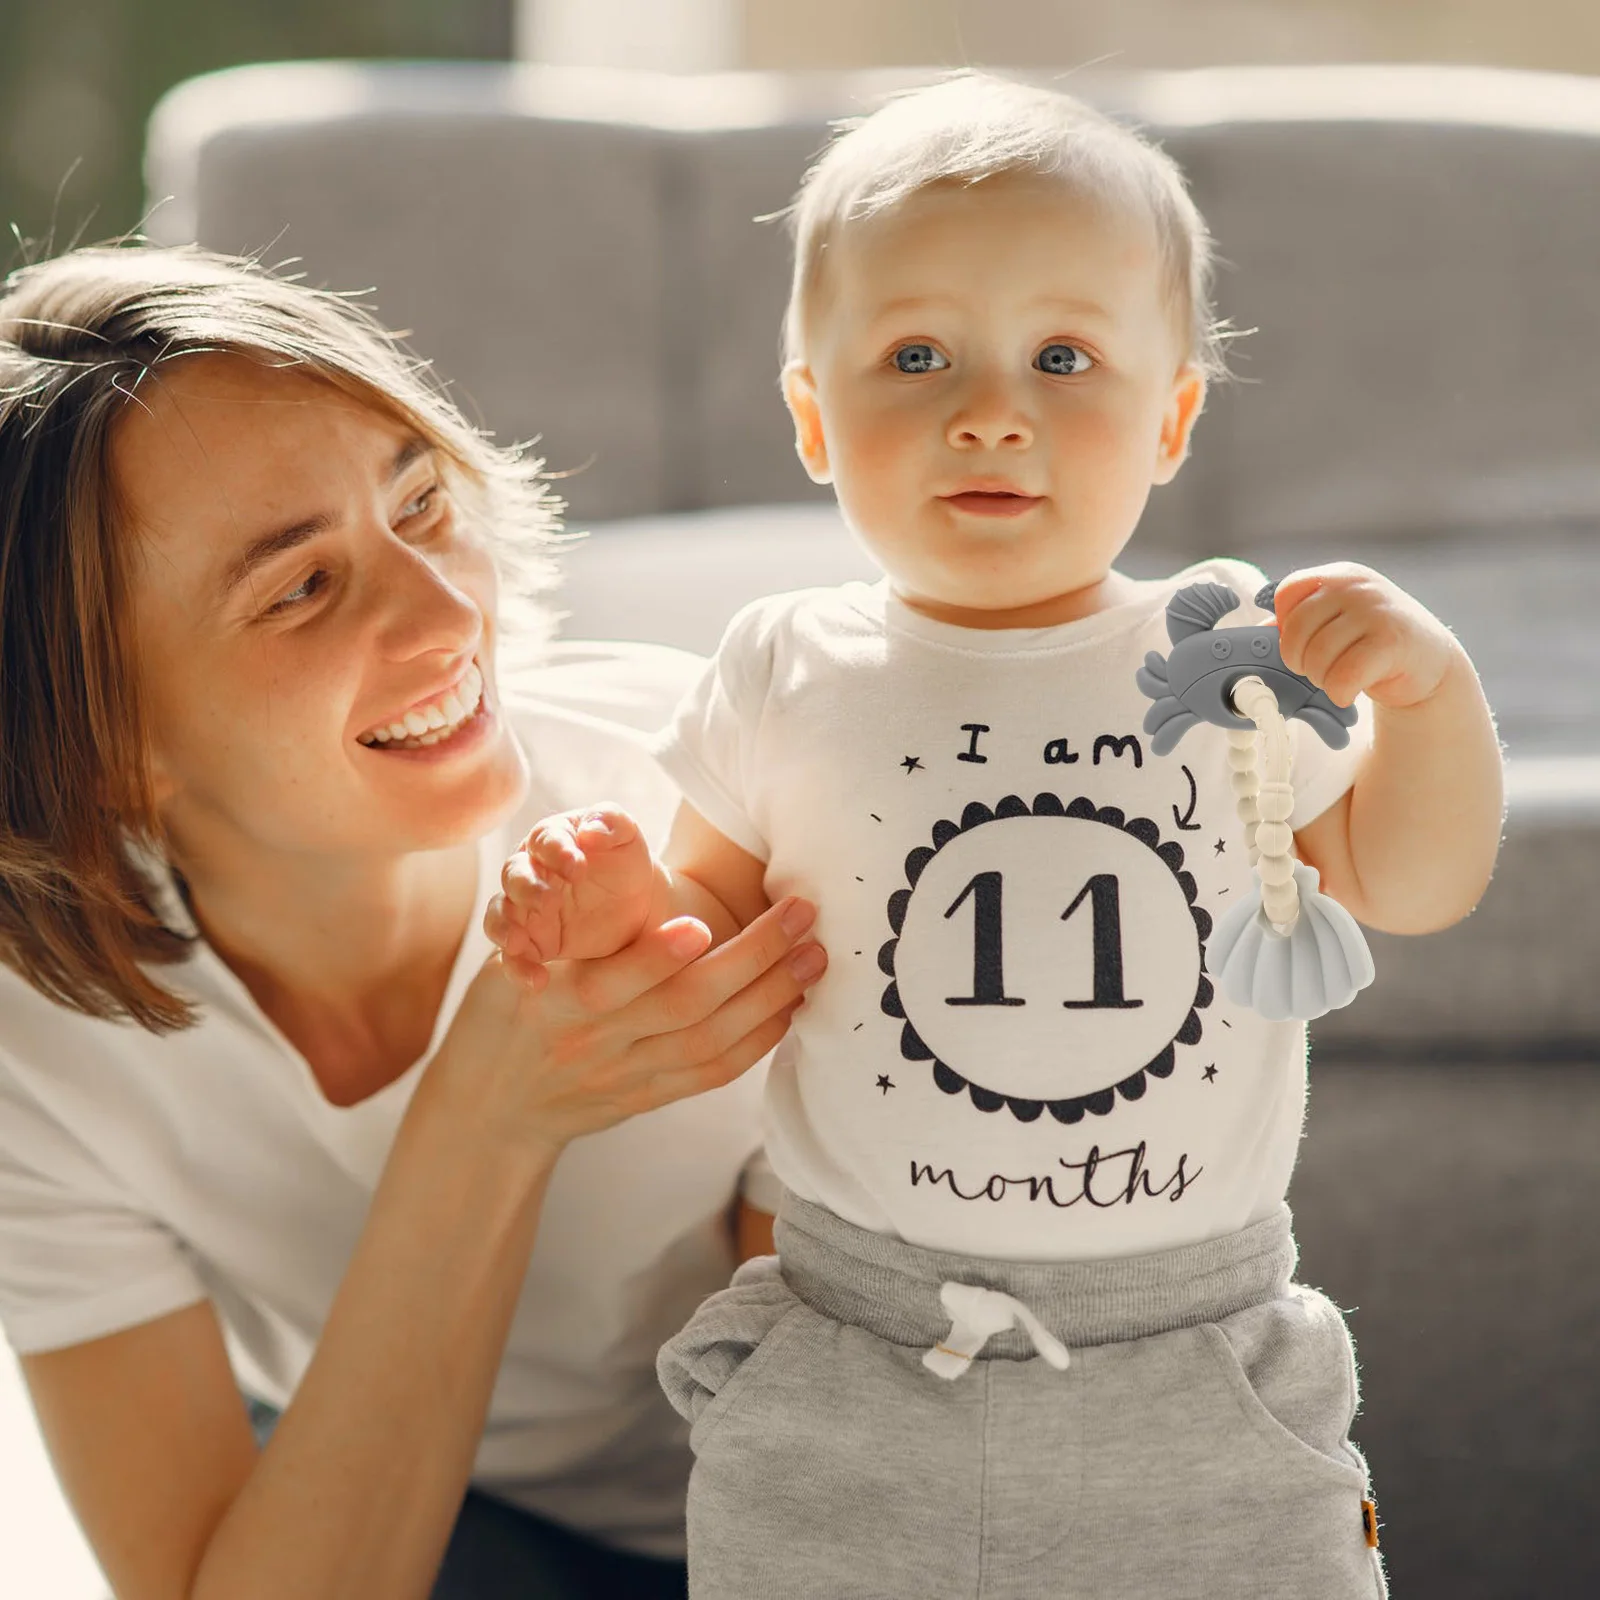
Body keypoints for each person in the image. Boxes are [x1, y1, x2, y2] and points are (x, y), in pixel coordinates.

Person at [490, 74, 1504, 1598]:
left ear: (1172, 420)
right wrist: (623, 912)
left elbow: (1413, 884)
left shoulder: (1227, 647)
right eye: (916, 357)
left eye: (1062, 358)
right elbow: (716, 940)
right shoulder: (785, 661)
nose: (988, 410)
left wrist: (1430, 697)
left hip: (1190, 1359)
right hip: (861, 1353)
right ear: (813, 418)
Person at [0, 244, 829, 1599]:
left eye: (421, 504)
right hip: (425, 1498)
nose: (450, 613)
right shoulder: (36, 1041)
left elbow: (855, 1449)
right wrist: (490, 1111)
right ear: (98, 750)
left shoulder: (730, 804)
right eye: (299, 589)